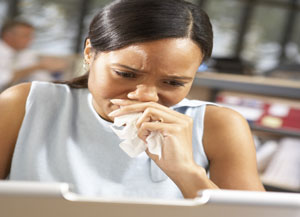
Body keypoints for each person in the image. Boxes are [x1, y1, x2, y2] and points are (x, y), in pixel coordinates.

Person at [0, 0, 265, 199]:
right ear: (90, 53)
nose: (145, 96)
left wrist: (187, 172)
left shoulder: (219, 127)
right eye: (125, 74)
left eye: (173, 82)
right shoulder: (25, 105)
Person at [0, 20, 68, 91]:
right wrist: (38, 66)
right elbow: (3, 80)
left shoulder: (26, 54)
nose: (30, 39)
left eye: (31, 36)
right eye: (26, 35)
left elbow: (41, 79)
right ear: (8, 36)